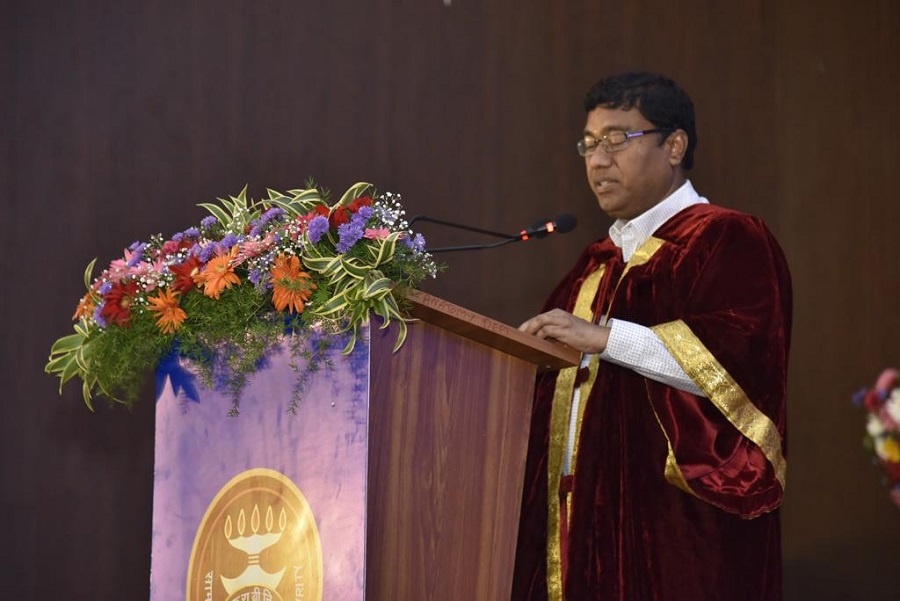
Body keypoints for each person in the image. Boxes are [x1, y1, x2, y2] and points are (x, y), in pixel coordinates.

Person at [511, 72, 792, 600]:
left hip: (675, 535)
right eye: (589, 144)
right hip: (580, 532)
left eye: (616, 139)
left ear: (674, 145)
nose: (597, 160)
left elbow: (742, 363)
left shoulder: (726, 238)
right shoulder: (594, 264)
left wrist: (606, 338)